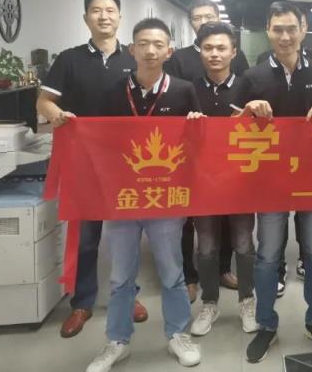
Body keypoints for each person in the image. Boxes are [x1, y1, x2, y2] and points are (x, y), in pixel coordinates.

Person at [86, 18, 203, 372]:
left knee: (172, 271)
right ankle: (117, 341)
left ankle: (177, 334)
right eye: (143, 44)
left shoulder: (184, 90)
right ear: (131, 49)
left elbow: (196, 146)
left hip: (166, 197)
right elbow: (98, 140)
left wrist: (197, 125)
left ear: (169, 51)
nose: (150, 51)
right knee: (121, 276)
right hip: (123, 197)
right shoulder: (112, 92)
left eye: (158, 45)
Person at [37, 0, 147, 339]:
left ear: (120, 17)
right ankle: (82, 302)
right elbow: (44, 101)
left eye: (110, 10)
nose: (104, 16)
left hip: (127, 162)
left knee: (125, 234)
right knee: (86, 236)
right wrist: (55, 114)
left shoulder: (135, 58)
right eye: (96, 11)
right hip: (83, 160)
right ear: (86, 18)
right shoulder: (69, 60)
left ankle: (128, 294)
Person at [237, 2, 312, 363]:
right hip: (270, 180)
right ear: (268, 31)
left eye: (291, 28)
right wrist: (250, 110)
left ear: (303, 29)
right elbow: (231, 128)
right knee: (267, 255)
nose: (285, 36)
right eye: (277, 29)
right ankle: (266, 324)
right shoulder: (253, 77)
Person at [165, 0, 250, 301]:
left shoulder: (244, 81)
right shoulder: (185, 76)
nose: (215, 53)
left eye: (209, 16)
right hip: (195, 168)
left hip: (234, 167)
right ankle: (193, 279)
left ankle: (227, 273)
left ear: (233, 52)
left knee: (232, 229)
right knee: (195, 229)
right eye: (198, 17)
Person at [188, 22, 258, 337]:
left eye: (221, 48)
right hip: (202, 183)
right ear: (200, 52)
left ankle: (247, 301)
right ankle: (210, 303)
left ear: (233, 52)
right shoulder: (188, 89)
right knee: (206, 247)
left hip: (240, 182)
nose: (214, 54)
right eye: (208, 48)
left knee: (244, 244)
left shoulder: (248, 88)